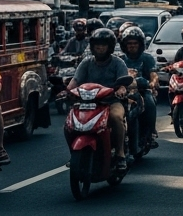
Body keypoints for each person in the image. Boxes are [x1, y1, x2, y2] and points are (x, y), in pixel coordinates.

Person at [68, 28, 130, 171]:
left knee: (116, 118)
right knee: (70, 122)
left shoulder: (118, 63)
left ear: (110, 47)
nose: (100, 48)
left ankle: (120, 154)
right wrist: (67, 91)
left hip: (111, 101)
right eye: (97, 45)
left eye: (103, 45)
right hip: (87, 103)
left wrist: (121, 89)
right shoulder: (86, 62)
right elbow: (75, 81)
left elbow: (123, 83)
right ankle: (73, 154)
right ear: (92, 46)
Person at [119, 27, 159, 151]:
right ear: (124, 45)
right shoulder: (119, 59)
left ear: (140, 44)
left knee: (150, 103)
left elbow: (154, 74)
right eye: (129, 43)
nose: (132, 46)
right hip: (123, 91)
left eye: (135, 43)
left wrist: (152, 83)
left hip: (142, 90)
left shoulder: (147, 58)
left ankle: (150, 132)